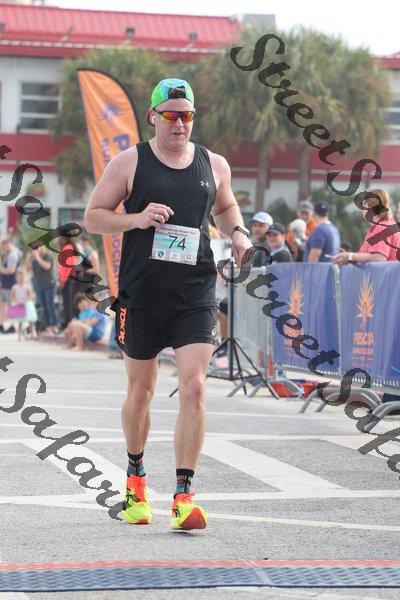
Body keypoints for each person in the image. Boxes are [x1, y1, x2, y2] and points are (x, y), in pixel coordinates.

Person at [83, 77, 252, 530]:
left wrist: (238, 233)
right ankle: (135, 478)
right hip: (142, 293)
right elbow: (93, 217)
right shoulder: (129, 162)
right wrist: (137, 218)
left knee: (194, 387)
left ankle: (183, 496)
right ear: (153, 117)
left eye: (187, 115)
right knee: (141, 393)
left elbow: (225, 207)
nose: (179, 124)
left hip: (194, 291)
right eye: (171, 115)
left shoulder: (214, 164)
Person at [333, 189, 400, 265]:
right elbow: (370, 256)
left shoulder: (381, 227)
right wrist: (349, 258)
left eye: (363, 203)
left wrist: (350, 256)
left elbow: (379, 258)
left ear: (370, 206)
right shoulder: (386, 225)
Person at [27, 245, 58, 335]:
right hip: (39, 287)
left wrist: (38, 258)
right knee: (43, 307)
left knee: (50, 306)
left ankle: (54, 325)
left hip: (49, 285)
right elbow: (28, 270)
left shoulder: (47, 256)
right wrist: (28, 259)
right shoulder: (34, 259)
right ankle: (47, 326)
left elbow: (47, 266)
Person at [0, 238, 22, 334]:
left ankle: (13, 326)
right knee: (2, 305)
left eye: (3, 246)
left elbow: (11, 270)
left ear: (7, 244)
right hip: (4, 284)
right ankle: (1, 325)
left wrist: (1, 269)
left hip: (11, 284)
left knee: (11, 305)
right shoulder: (7, 253)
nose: (2, 248)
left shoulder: (13, 254)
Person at [10, 269, 38, 340]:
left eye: (22, 277)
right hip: (19, 304)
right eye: (19, 277)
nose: (21, 279)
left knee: (30, 320)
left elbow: (31, 296)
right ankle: (19, 335)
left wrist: (25, 301)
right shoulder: (15, 287)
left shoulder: (27, 287)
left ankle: (32, 334)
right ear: (17, 278)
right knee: (20, 321)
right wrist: (17, 301)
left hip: (26, 304)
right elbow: (12, 296)